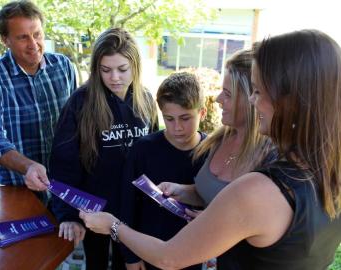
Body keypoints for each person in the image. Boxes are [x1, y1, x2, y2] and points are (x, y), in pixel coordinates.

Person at [79, 29, 341, 270]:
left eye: (258, 92)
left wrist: (113, 225)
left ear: (290, 102)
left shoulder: (258, 190)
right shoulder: (328, 168)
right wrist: (191, 194)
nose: (253, 101)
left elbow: (169, 257)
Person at [49, 28, 158, 270]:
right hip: (93, 209)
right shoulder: (81, 103)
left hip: (133, 209)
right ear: (97, 69)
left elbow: (153, 156)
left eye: (122, 69)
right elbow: (63, 163)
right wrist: (67, 215)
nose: (115, 77)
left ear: (136, 67)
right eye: (106, 70)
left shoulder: (147, 101)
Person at [158, 49, 274, 269]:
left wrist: (214, 223)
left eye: (228, 94)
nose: (219, 99)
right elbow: (213, 194)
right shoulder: (220, 138)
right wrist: (183, 191)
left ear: (252, 99)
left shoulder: (269, 156)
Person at [0, 0, 76, 197]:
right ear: (5, 39)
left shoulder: (63, 66)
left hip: (66, 185)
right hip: (20, 189)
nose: (33, 44)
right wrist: (28, 167)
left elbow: (77, 122)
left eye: (37, 34)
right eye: (22, 37)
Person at [120, 72, 207, 270]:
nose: (177, 127)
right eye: (169, 119)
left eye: (185, 118)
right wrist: (131, 256)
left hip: (197, 253)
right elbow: (127, 205)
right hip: (149, 251)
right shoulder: (143, 150)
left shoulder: (214, 152)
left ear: (202, 113)